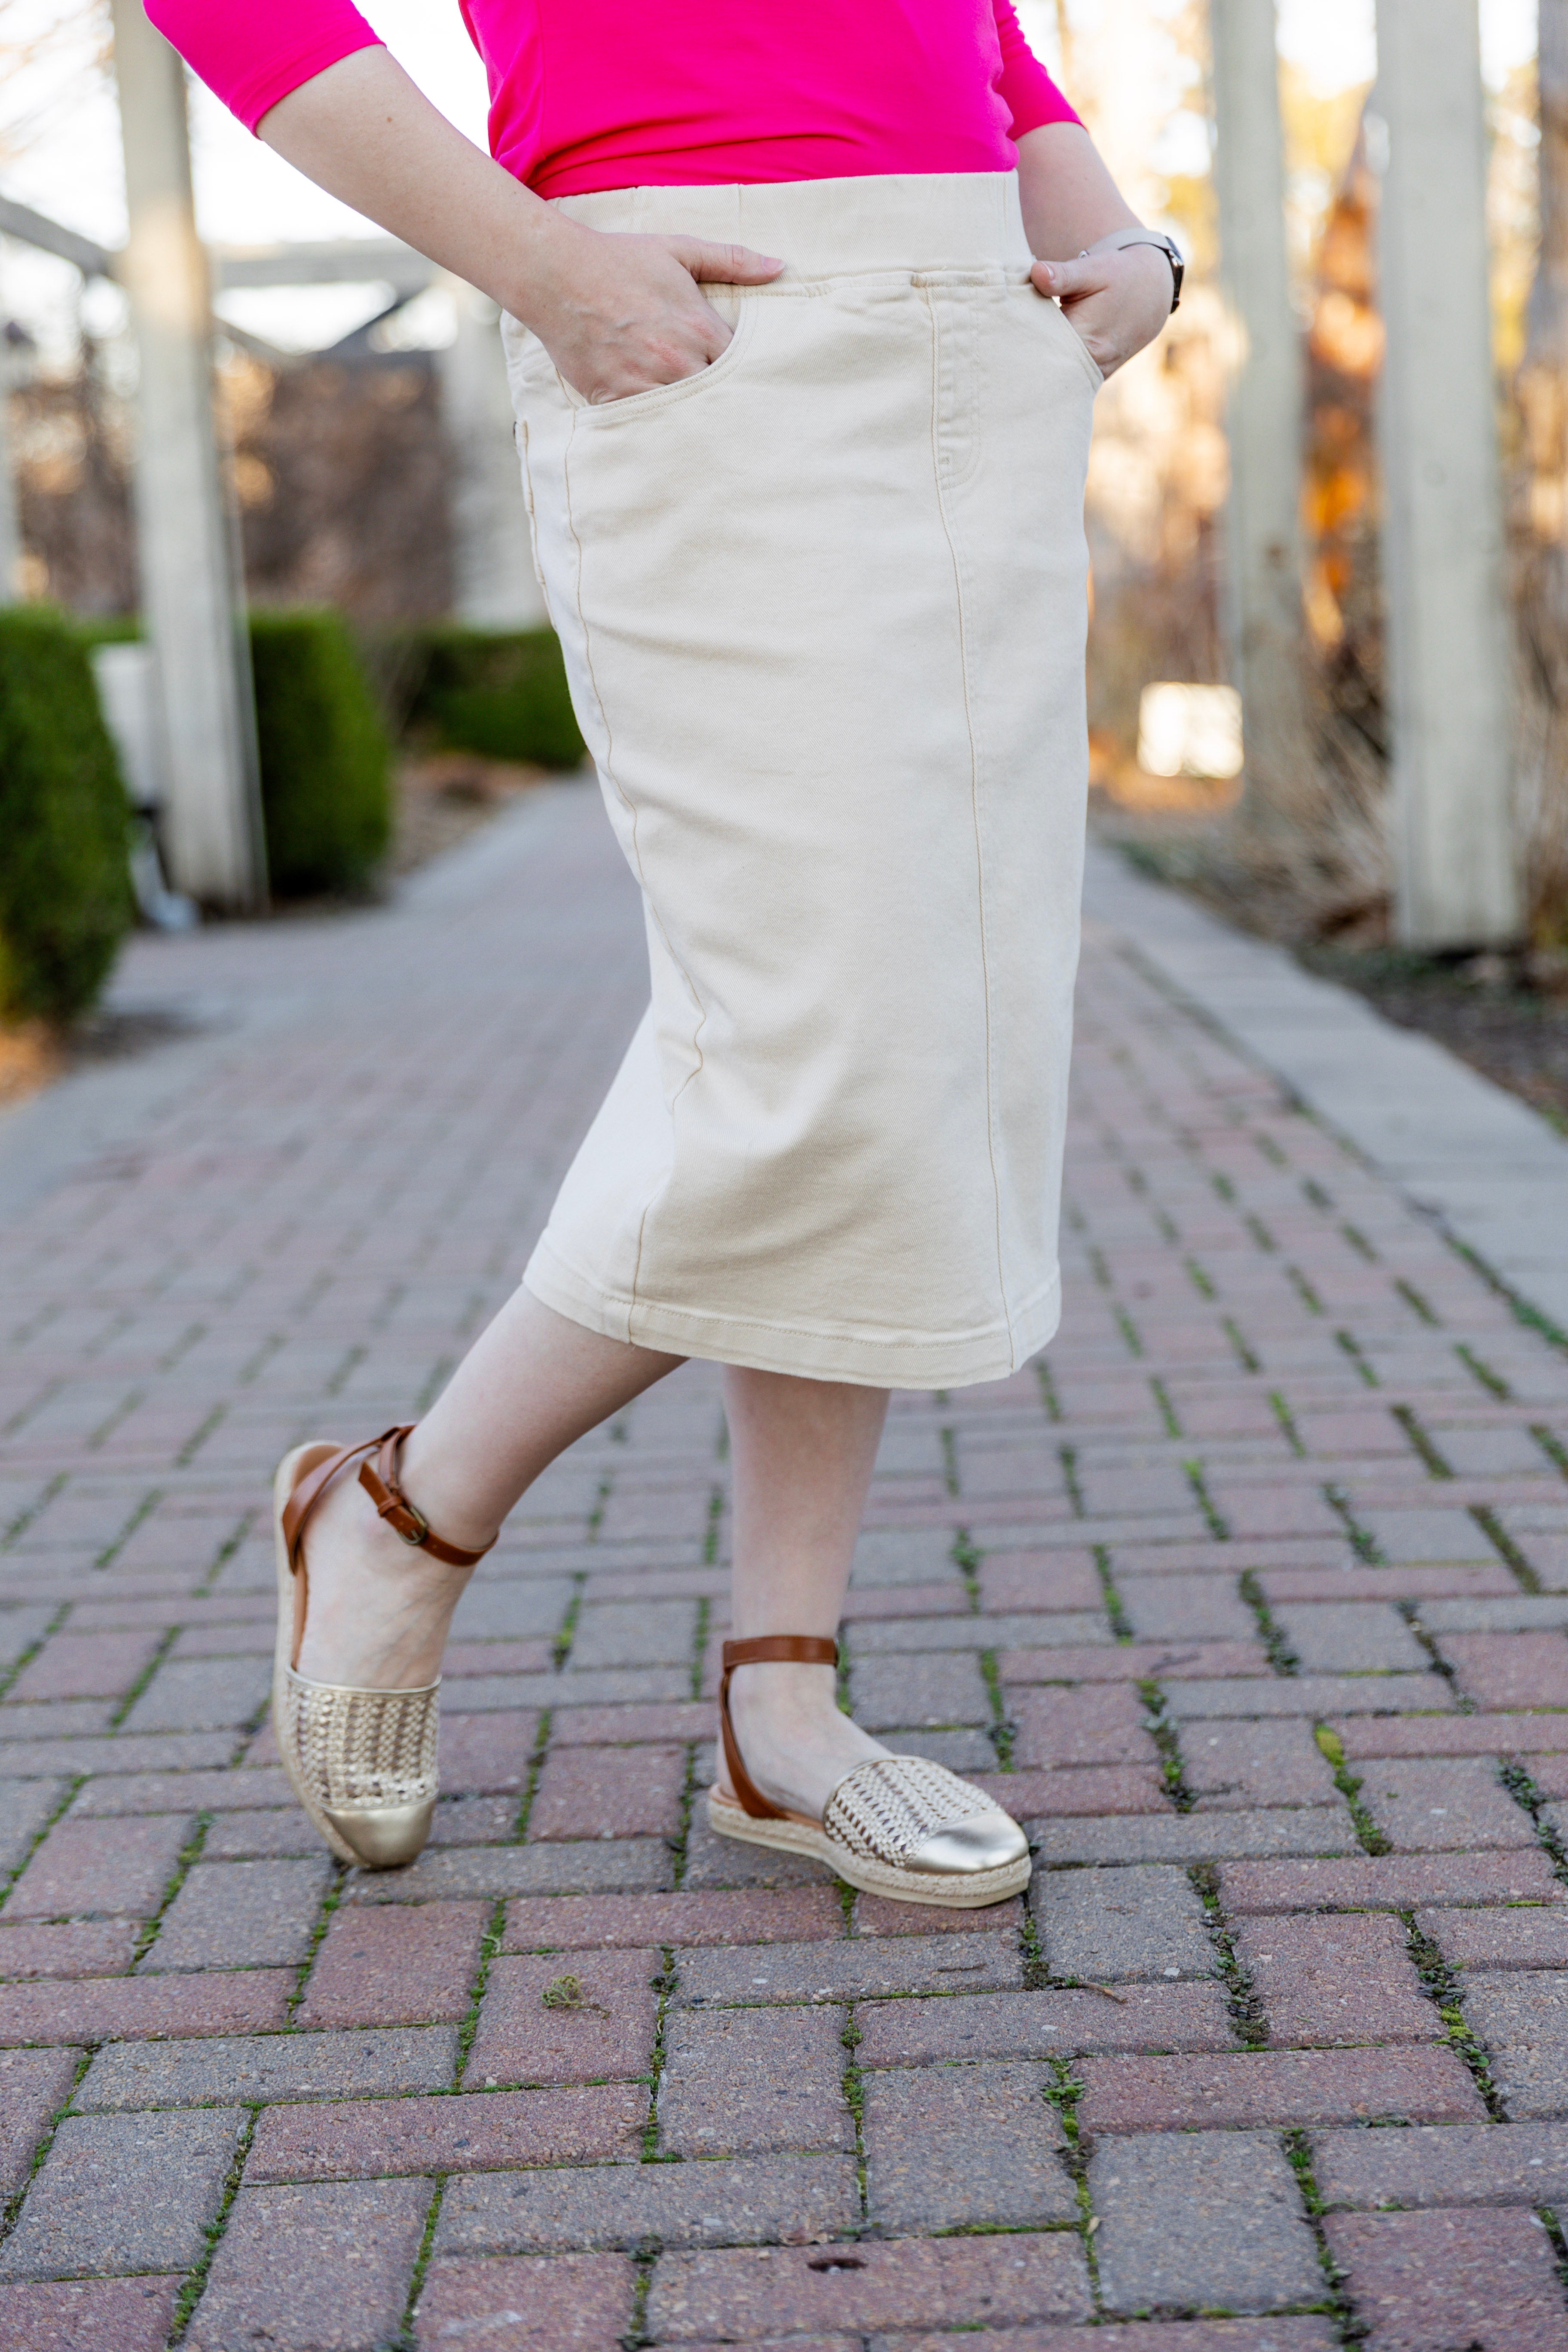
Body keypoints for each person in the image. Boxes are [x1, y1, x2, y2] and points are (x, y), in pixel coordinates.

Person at [150, 0, 1178, 1904]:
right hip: (704, 331)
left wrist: (1121, 235)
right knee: (820, 1036)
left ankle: (781, 1715)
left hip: (984, 328)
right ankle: (400, 1518)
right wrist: (542, 269)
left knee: (911, 1027)